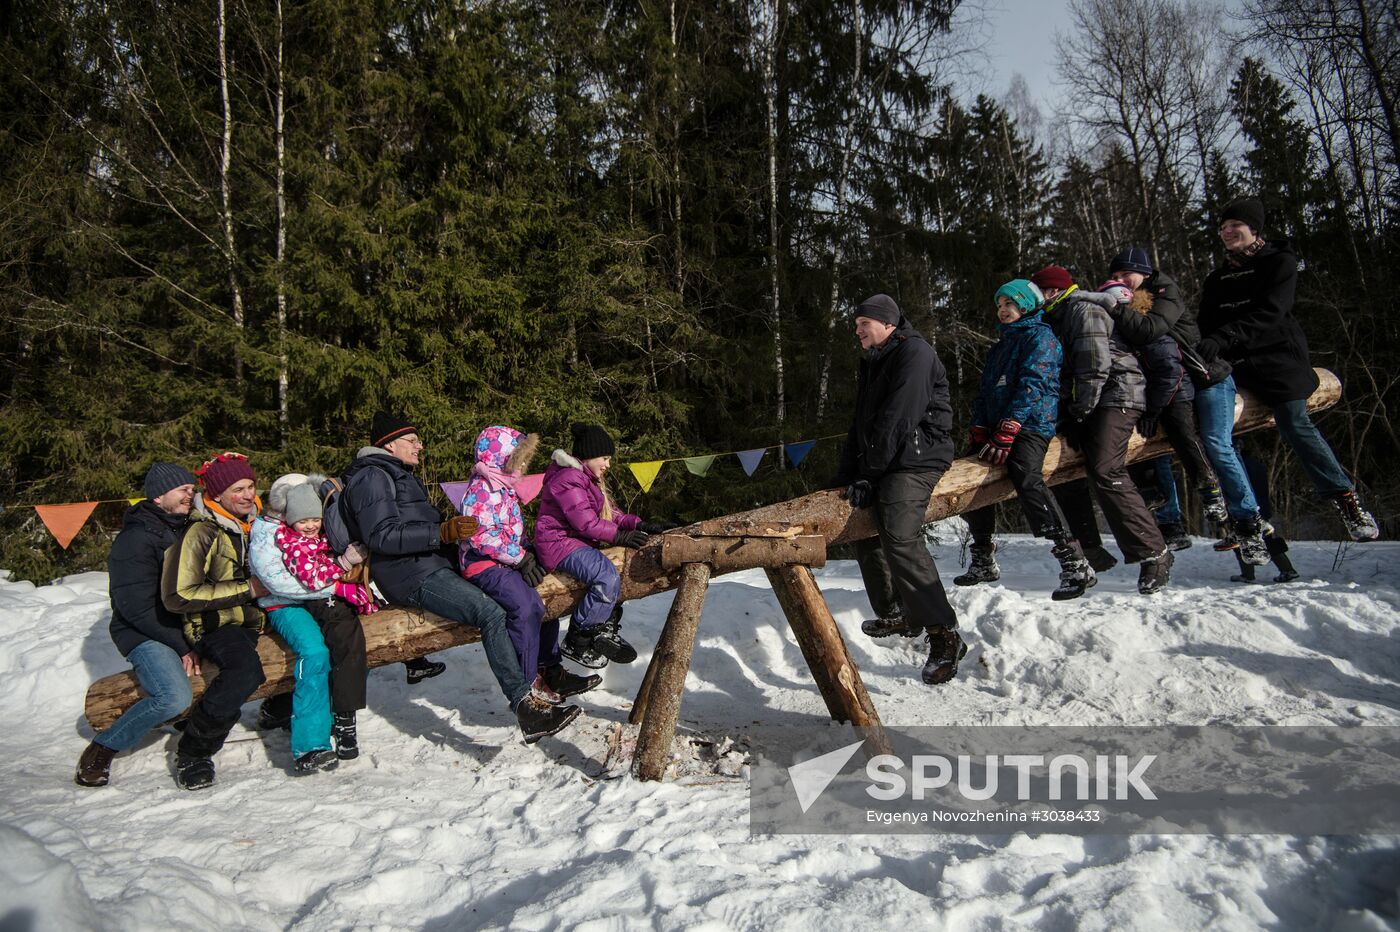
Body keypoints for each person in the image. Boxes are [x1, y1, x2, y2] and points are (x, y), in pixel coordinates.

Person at [342, 412, 579, 744]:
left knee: (517, 596)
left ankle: (546, 671)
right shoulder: (372, 477)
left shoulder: (396, 474)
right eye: (412, 440)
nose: (419, 446)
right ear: (389, 444)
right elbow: (381, 535)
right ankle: (525, 705)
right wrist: (441, 532)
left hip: (429, 562)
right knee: (489, 613)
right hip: (410, 573)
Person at [1196, 196, 1379, 542]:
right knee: (1217, 431)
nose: (1227, 232)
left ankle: (1345, 500)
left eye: (1235, 225)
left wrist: (1224, 336)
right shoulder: (1217, 278)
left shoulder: (1278, 261)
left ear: (1254, 228)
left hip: (1278, 358)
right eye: (1222, 228)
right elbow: (1206, 322)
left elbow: (1272, 311)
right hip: (1234, 364)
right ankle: (1246, 519)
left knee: (1293, 421)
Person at [831, 294, 964, 685]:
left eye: (863, 324)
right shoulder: (874, 359)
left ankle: (944, 635)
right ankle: (895, 611)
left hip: (919, 457)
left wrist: (870, 474)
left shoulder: (915, 354)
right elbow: (861, 424)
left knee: (899, 533)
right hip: (889, 458)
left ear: (887, 323)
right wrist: (842, 478)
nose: (857, 331)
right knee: (858, 523)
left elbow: (898, 419)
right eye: (855, 325)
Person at [1030, 265, 1174, 594]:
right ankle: (1090, 549)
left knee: (1106, 468)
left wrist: (1080, 412)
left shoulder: (1082, 310)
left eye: (1038, 294)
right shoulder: (1054, 317)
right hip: (1087, 401)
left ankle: (1155, 552)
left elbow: (1095, 366)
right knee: (1062, 467)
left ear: (1052, 292)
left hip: (1118, 394)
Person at [955, 279, 1096, 600]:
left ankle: (1073, 559)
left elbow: (1033, 385)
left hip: (1031, 425)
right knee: (973, 479)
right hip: (997, 428)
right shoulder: (1001, 345)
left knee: (1025, 474)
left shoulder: (1042, 339)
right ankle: (982, 557)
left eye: (1010, 304)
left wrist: (1010, 427)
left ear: (1027, 305)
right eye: (999, 305)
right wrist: (979, 428)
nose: (1003, 311)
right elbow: (987, 393)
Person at [76, 464, 198, 787]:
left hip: (182, 625)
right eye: (182, 488)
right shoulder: (135, 539)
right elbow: (136, 607)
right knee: (173, 697)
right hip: (143, 630)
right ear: (158, 496)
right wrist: (182, 644)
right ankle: (104, 747)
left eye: (192, 488)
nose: (191, 493)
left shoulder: (186, 528)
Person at [457, 426, 600, 700]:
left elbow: (507, 530)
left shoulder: (504, 486)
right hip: (481, 564)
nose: (524, 465)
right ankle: (527, 683)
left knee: (545, 600)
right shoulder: (481, 490)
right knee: (526, 607)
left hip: (507, 558)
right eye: (519, 459)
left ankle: (550, 669)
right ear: (502, 459)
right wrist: (521, 558)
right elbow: (481, 536)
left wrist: (529, 551)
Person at [248, 475, 371, 773]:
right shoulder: (268, 532)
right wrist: (339, 585)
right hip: (284, 602)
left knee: (339, 640)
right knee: (315, 653)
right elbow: (280, 584)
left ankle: (321, 719)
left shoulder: (304, 527)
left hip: (309, 600)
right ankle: (310, 746)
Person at [160, 452, 269, 790]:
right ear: (217, 494)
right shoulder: (202, 531)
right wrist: (246, 589)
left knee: (325, 636)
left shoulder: (256, 524)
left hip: (258, 618)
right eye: (238, 489)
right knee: (245, 672)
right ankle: (194, 751)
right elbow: (178, 594)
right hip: (216, 624)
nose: (248, 495)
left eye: (251, 486)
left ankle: (279, 710)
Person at [535, 424, 675, 669]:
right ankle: (578, 639)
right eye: (605, 458)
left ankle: (604, 626)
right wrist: (620, 537)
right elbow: (586, 523)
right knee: (605, 575)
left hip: (574, 542)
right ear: (589, 455)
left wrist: (639, 523)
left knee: (616, 571)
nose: (608, 464)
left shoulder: (587, 479)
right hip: (558, 543)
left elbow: (610, 514)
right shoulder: (568, 479)